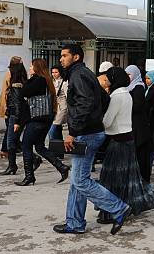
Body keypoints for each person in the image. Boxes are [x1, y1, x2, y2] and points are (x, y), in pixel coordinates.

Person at [54, 45, 132, 235]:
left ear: (76, 57)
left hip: (86, 133)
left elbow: (85, 103)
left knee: (80, 180)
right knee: (76, 180)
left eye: (65, 56)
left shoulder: (78, 75)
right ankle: (75, 222)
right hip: (92, 131)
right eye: (61, 56)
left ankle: (119, 208)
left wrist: (74, 131)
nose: (61, 59)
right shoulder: (85, 73)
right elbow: (104, 100)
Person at [96, 67, 154, 224]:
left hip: (118, 141)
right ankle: (126, 206)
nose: (105, 81)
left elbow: (107, 121)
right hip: (127, 139)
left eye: (107, 79)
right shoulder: (126, 92)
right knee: (126, 178)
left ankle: (114, 211)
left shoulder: (118, 95)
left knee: (112, 178)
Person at [14, 58, 70, 186]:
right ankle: (61, 167)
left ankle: (29, 176)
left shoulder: (38, 80)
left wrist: (28, 79)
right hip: (46, 118)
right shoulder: (47, 80)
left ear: (37, 68)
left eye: (31, 66)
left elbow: (24, 92)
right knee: (39, 146)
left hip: (36, 119)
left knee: (26, 146)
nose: (29, 68)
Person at [0, 62, 27, 175]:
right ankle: (12, 166)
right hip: (14, 116)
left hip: (14, 117)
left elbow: (17, 105)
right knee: (13, 141)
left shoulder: (15, 87)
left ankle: (12, 166)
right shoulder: (21, 84)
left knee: (11, 142)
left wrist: (16, 121)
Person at [126, 65, 152, 182]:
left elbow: (138, 106)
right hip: (132, 125)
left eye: (129, 74)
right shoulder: (129, 87)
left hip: (138, 126)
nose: (127, 77)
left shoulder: (138, 88)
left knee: (140, 154)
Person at [0, 56, 22, 157]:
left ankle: (13, 147)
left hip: (9, 104)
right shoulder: (12, 74)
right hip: (10, 105)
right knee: (10, 129)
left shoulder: (11, 73)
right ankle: (5, 149)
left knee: (11, 129)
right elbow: (8, 91)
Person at [48, 65, 68, 158]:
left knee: (53, 130)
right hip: (55, 109)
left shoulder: (64, 82)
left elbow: (68, 97)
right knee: (57, 131)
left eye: (56, 72)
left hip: (62, 109)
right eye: (52, 72)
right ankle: (59, 152)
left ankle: (54, 151)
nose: (54, 74)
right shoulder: (52, 82)